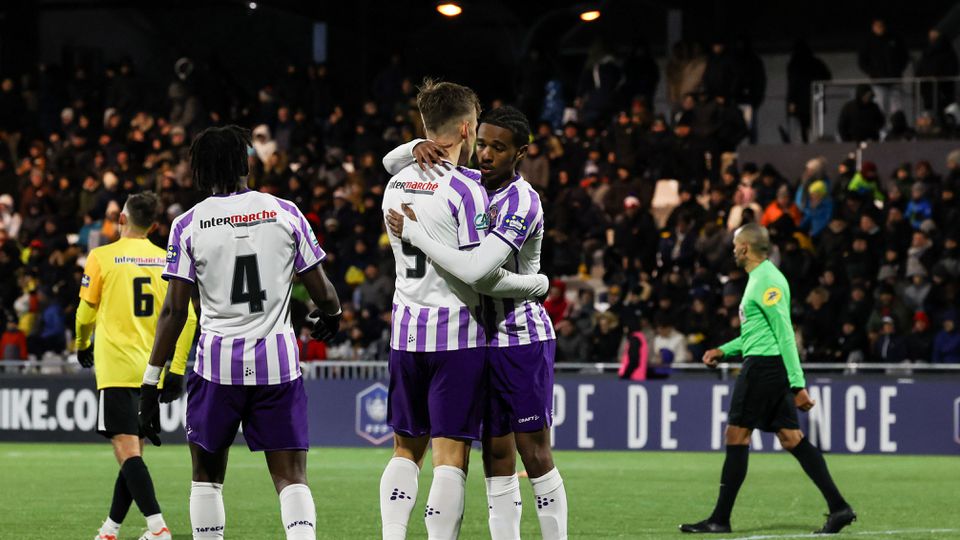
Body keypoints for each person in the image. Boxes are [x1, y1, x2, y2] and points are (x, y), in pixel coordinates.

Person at [138, 125, 343, 540]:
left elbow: (175, 311)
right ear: (246, 162)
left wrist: (149, 381)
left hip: (217, 368)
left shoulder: (187, 225)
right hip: (278, 366)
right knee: (291, 477)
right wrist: (333, 314)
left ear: (200, 171)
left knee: (207, 476)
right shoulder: (285, 211)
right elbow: (321, 290)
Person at [383, 105, 566, 540]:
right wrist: (415, 145)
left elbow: (481, 273)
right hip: (480, 339)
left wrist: (416, 234)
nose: (485, 154)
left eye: (498, 148)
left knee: (535, 454)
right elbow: (393, 163)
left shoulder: (522, 200)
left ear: (520, 154)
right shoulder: (468, 187)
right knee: (496, 457)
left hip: (521, 337)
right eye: (482, 144)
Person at [680, 223, 855, 535]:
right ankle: (840, 508)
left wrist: (798, 384)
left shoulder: (766, 280)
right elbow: (757, 335)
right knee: (791, 438)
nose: (733, 250)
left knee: (736, 435)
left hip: (764, 368)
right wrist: (723, 350)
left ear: (745, 248)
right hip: (767, 362)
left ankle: (720, 519)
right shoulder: (761, 279)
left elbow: (784, 333)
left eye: (735, 245)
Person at [75, 191, 198, 540]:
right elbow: (188, 319)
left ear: (121, 221)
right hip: (150, 373)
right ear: (155, 226)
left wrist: (81, 343)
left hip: (115, 368)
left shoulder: (101, 256)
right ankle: (111, 530)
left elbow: (85, 314)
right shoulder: (166, 261)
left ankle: (157, 527)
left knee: (126, 452)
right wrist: (175, 370)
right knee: (134, 454)